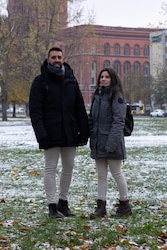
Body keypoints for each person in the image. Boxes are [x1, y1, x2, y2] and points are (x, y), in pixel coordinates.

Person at [29, 46, 90, 219]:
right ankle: (52, 206)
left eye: (59, 57)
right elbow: (35, 111)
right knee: (50, 168)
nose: (57, 60)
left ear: (63, 59)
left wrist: (83, 132)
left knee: (68, 168)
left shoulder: (71, 80)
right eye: (53, 57)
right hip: (50, 133)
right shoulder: (40, 82)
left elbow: (79, 107)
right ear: (48, 59)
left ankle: (63, 202)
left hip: (70, 132)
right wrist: (41, 134)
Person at [88, 67, 132, 217]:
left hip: (112, 142)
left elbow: (119, 121)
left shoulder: (116, 97)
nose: (103, 79)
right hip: (98, 141)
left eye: (107, 77)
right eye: (102, 77)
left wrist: (111, 144)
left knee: (117, 173)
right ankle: (101, 206)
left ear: (112, 79)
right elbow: (93, 120)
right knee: (101, 176)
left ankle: (125, 204)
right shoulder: (97, 97)